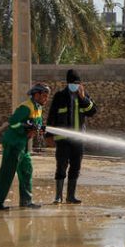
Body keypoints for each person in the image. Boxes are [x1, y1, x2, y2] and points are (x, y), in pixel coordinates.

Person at [0, 83, 50, 210]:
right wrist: (26, 129)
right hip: (14, 143)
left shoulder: (37, 107)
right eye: (44, 96)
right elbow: (13, 123)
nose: (46, 99)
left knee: (26, 170)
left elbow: (35, 124)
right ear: (36, 94)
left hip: (23, 145)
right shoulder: (26, 107)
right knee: (7, 173)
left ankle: (26, 201)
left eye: (47, 96)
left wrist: (37, 130)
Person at [45, 69, 97, 204]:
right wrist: (49, 135)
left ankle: (70, 196)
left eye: (77, 83)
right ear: (67, 83)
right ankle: (58, 196)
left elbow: (92, 112)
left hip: (78, 140)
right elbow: (52, 116)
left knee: (75, 167)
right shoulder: (60, 96)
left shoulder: (84, 96)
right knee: (61, 166)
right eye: (73, 83)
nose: (75, 85)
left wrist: (83, 98)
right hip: (63, 140)